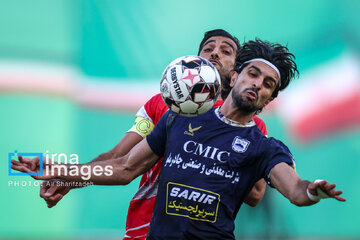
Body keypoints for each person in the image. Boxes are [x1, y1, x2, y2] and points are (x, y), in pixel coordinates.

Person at [12, 39, 346, 240]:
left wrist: (311, 191)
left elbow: (295, 189)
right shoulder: (177, 118)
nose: (258, 84)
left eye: (268, 84)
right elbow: (124, 168)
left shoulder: (263, 144)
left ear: (268, 99)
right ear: (235, 76)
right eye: (253, 74)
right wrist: (59, 170)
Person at [38, 29, 268, 239]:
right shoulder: (161, 105)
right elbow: (119, 158)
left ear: (237, 72)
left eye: (226, 51)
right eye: (208, 48)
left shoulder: (252, 126)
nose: (215, 53)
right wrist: (70, 177)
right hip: (145, 229)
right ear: (195, 61)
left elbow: (256, 194)